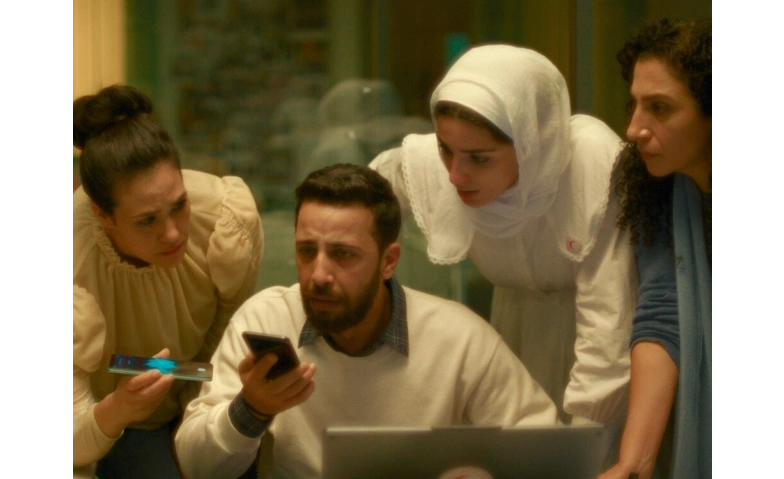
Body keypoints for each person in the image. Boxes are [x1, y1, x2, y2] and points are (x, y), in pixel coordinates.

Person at [174, 164, 557, 479]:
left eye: (343, 254)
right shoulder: (268, 319)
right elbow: (196, 467)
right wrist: (251, 410)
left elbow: (545, 451)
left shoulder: (458, 338)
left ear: (388, 261)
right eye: (306, 251)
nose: (318, 274)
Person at [370, 44, 637, 431]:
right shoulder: (439, 161)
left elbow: (608, 327)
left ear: (530, 144)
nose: (455, 175)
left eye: (480, 158)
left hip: (595, 354)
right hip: (508, 339)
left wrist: (580, 443)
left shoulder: (590, 165)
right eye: (445, 149)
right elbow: (357, 199)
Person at [72, 85, 265, 478]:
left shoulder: (223, 220)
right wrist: (119, 409)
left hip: (204, 401)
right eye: (147, 221)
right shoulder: (69, 261)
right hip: (113, 423)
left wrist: (200, 413)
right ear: (103, 215)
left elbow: (222, 340)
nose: (173, 233)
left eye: (180, 205)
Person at [599, 18, 711, 479]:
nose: (633, 129)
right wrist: (634, 463)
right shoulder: (657, 186)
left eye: (659, 108)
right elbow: (664, 312)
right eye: (635, 104)